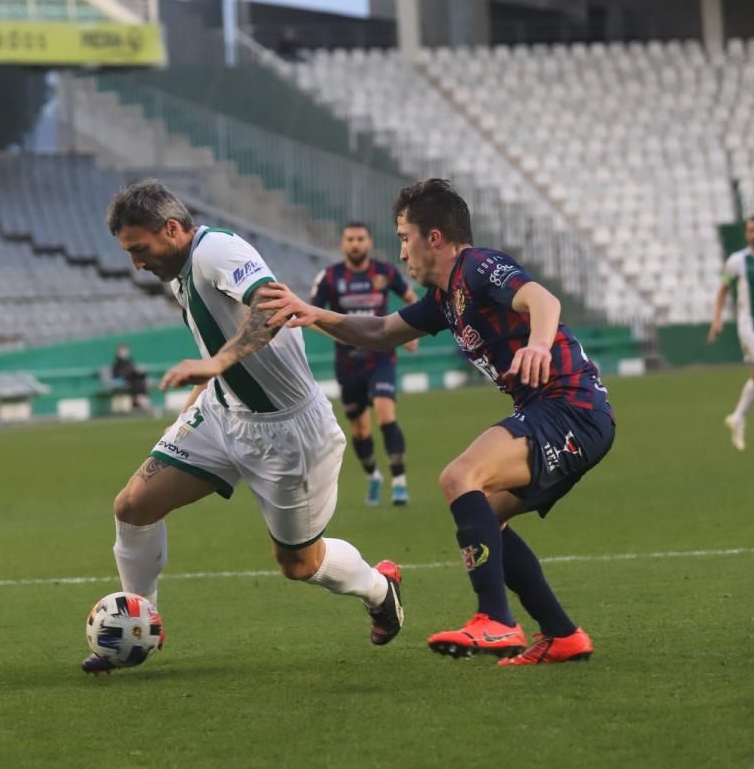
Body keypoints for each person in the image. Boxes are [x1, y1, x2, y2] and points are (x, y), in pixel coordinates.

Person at [259, 179, 615, 666]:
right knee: (485, 514)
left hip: (570, 407)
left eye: (405, 237)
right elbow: (384, 332)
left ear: (435, 239)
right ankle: (561, 634)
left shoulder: (478, 266)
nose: (401, 251)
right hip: (555, 413)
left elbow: (544, 301)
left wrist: (537, 344)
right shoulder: (445, 297)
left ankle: (496, 621)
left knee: (458, 477)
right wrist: (314, 313)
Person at [81, 179, 404, 675]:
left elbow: (273, 305)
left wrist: (218, 363)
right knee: (133, 505)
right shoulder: (178, 267)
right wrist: (198, 397)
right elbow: (218, 347)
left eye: (140, 249)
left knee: (299, 563)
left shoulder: (218, 252)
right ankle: (140, 624)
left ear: (171, 229)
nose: (136, 264)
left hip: (288, 433)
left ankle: (380, 589)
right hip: (220, 412)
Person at [312, 221, 420, 506]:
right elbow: (312, 314)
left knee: (386, 415)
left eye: (360, 238)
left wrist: (411, 330)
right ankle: (373, 475)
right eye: (350, 239)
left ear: (369, 242)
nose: (355, 244)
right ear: (343, 244)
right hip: (348, 363)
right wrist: (339, 331)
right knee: (360, 430)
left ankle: (399, 481)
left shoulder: (384, 272)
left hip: (380, 355)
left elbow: (411, 298)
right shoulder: (330, 277)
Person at [708, 215, 754, 449]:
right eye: (750, 231)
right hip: (750, 326)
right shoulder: (736, 261)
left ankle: (737, 418)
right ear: (746, 234)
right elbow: (723, 290)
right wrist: (717, 320)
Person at [110, 343, 149, 410]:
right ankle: (140, 400)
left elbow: (132, 368)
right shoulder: (118, 361)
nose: (124, 352)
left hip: (132, 379)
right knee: (137, 380)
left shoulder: (129, 359)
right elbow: (118, 373)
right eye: (122, 350)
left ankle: (140, 399)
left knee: (140, 377)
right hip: (123, 379)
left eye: (125, 350)